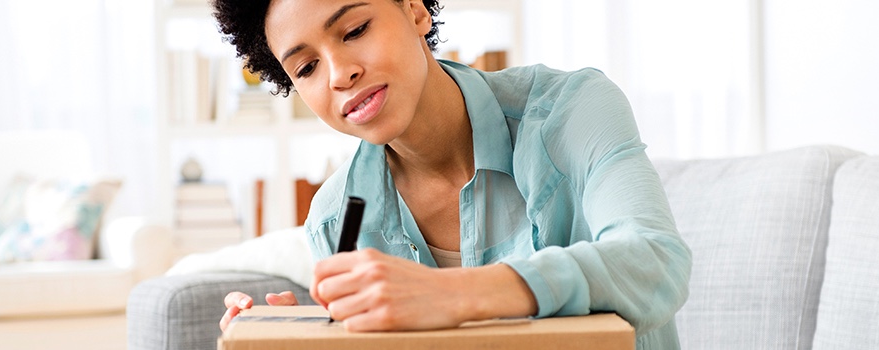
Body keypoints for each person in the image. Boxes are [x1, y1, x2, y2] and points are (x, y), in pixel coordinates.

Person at [211, 0, 692, 348]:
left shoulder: (572, 110)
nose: (338, 74)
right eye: (307, 66)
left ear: (416, 10)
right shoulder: (334, 218)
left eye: (355, 30)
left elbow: (656, 263)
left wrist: (451, 295)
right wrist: (318, 341)